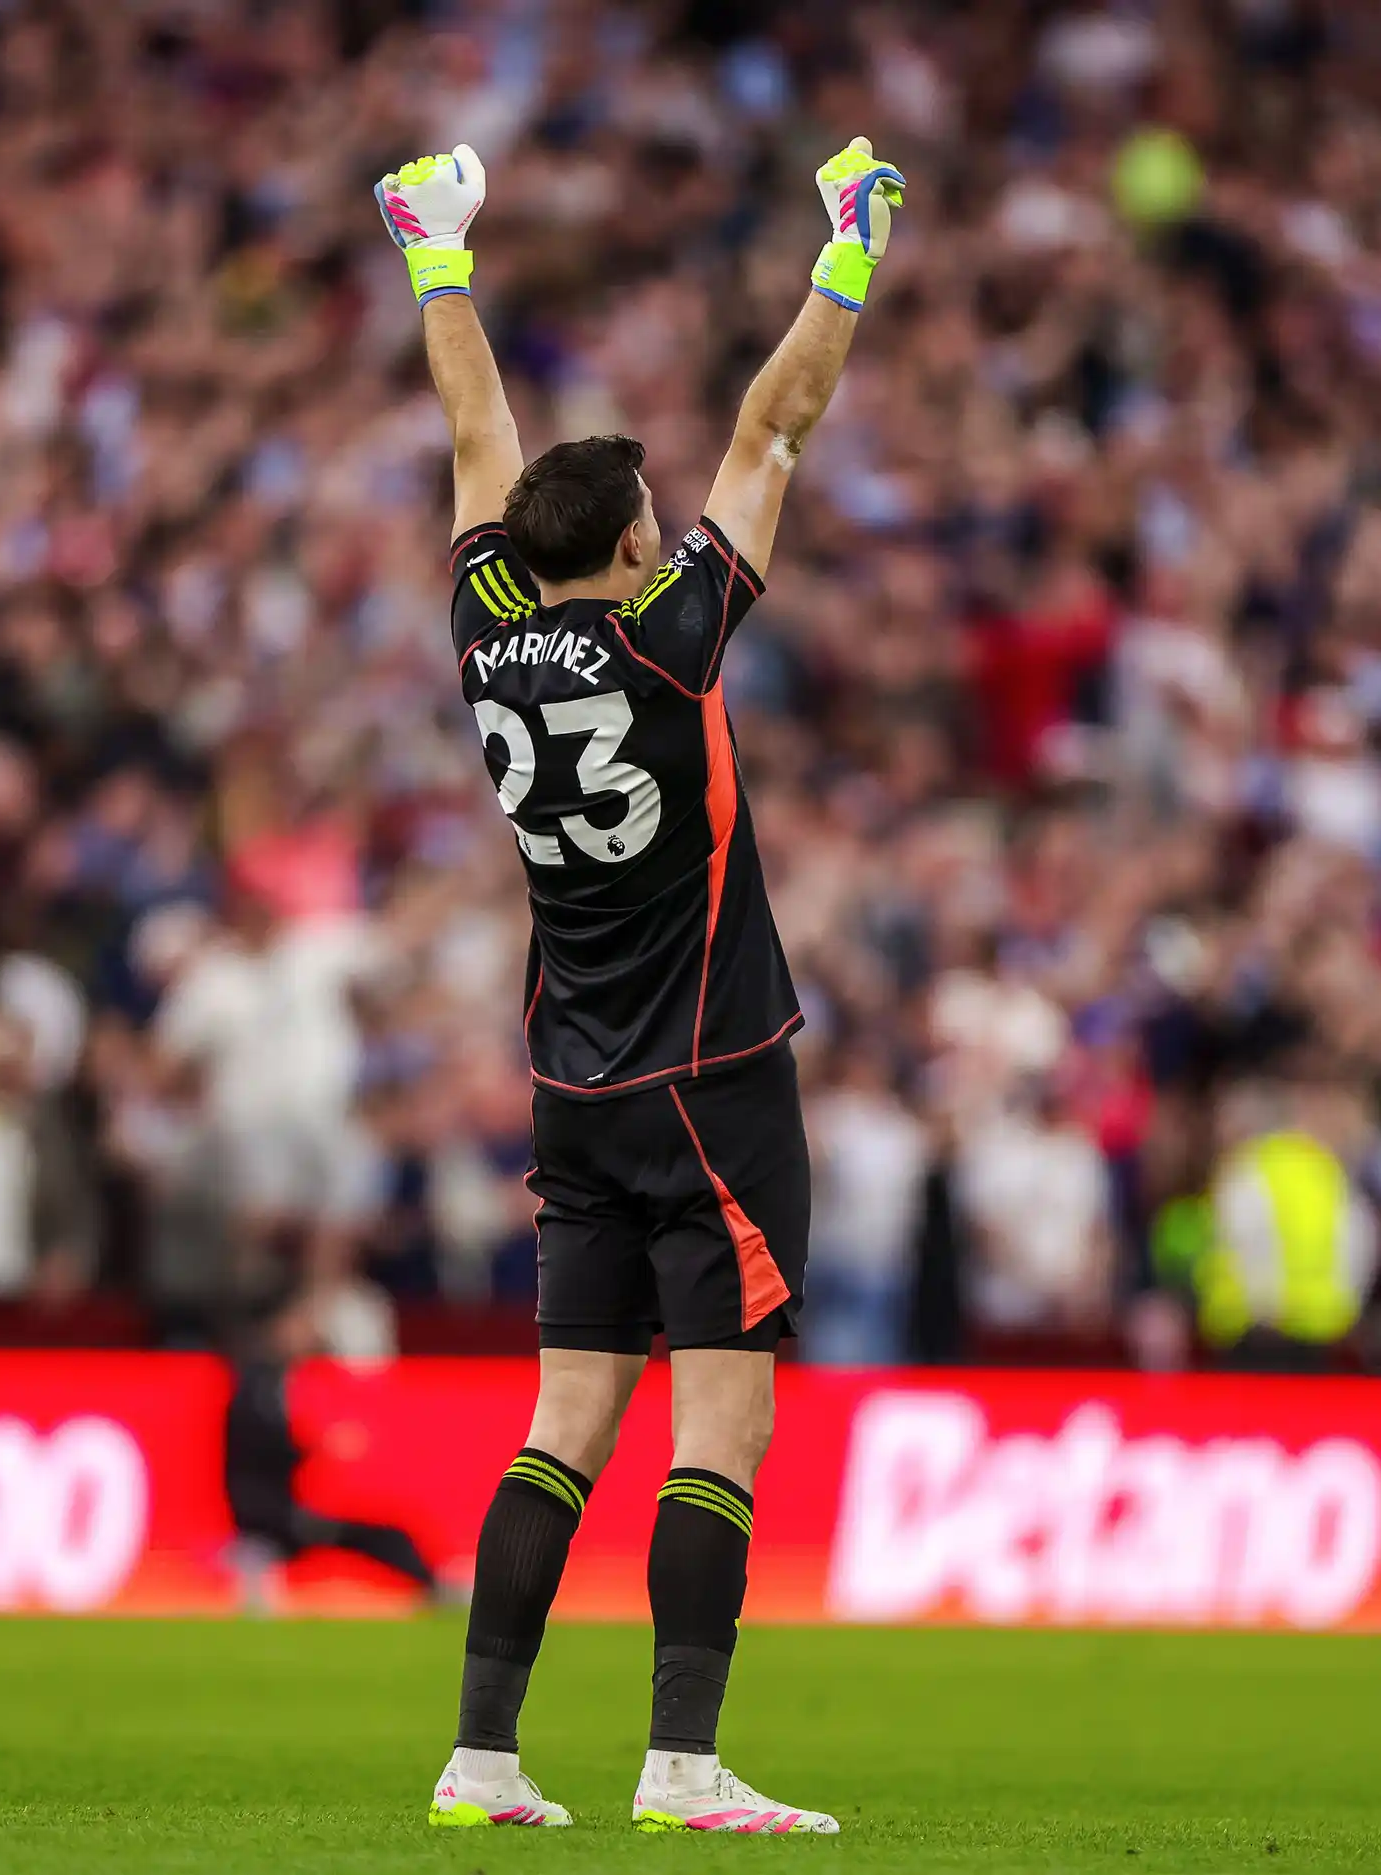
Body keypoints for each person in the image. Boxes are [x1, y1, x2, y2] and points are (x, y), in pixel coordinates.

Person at [377, 136, 904, 1833]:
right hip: (711, 1070)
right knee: (720, 1427)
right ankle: (681, 1762)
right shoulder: (669, 644)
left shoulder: (482, 625)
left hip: (575, 1078)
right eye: (656, 523)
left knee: (567, 1416)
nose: (679, 527)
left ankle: (481, 1755)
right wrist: (848, 256)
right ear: (621, 551)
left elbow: (477, 438)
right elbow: (776, 429)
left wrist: (436, 259)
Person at [223, 1289, 437, 1603]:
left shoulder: (285, 1380)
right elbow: (256, 1454)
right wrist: (320, 1445)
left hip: (285, 1509)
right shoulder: (255, 1386)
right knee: (368, 1536)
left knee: (383, 1535)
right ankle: (435, 1587)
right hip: (267, 1515)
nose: (310, 1334)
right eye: (302, 1324)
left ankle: (431, 1585)